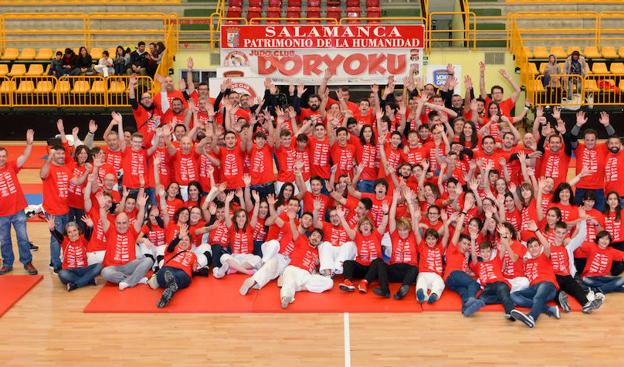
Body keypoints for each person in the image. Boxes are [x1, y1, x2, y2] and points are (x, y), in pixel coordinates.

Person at [0, 129, 38, 275]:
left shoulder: (11, 166)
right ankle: (7, 263)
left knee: (23, 238)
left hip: (17, 210)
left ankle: (27, 262)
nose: (2, 159)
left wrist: (29, 143)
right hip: (1, 214)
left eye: (3, 156)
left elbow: (24, 156)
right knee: (4, 241)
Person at [97, 191, 152, 290]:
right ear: (115, 223)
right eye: (118, 223)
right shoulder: (110, 230)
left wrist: (142, 206)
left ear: (128, 223)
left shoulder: (132, 230)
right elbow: (103, 219)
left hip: (130, 265)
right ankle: (135, 279)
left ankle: (128, 281)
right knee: (105, 272)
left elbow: (139, 220)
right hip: (113, 267)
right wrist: (101, 207)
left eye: (124, 223)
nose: (121, 226)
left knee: (148, 260)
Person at [509, 238, 561, 328]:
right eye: (531, 247)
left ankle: (531, 317)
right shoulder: (526, 262)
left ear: (540, 247)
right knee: (514, 295)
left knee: (538, 297)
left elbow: (547, 246)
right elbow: (514, 260)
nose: (533, 248)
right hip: (533, 288)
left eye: (536, 246)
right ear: (528, 249)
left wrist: (536, 230)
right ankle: (549, 309)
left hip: (547, 284)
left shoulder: (544, 256)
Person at [279, 227, 333, 309]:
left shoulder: (319, 253)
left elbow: (319, 270)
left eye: (318, 237)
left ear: (320, 241)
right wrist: (291, 219)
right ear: (309, 237)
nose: (315, 238)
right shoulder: (301, 241)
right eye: (314, 235)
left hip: (306, 275)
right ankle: (285, 298)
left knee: (330, 283)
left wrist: (318, 263)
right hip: (293, 269)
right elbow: (295, 232)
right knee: (289, 281)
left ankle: (298, 287)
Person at [148, 223, 198, 308]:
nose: (184, 242)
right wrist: (178, 238)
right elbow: (171, 246)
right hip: (168, 269)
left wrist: (196, 269)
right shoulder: (173, 248)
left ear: (190, 244)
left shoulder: (193, 255)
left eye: (186, 240)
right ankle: (171, 287)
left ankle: (171, 286)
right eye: (182, 239)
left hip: (183, 273)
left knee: (180, 275)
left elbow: (194, 271)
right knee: (165, 272)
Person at [48, 216, 102, 291]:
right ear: (67, 234)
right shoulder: (64, 241)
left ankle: (75, 285)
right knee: (62, 274)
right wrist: (52, 229)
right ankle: (88, 280)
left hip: (83, 269)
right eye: (69, 232)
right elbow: (56, 234)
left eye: (74, 230)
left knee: (99, 266)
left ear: (78, 231)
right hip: (69, 271)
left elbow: (89, 231)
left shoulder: (83, 239)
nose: (73, 234)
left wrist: (90, 226)